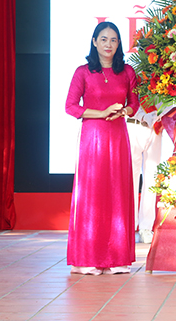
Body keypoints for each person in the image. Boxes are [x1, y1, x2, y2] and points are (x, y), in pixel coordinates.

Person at [65, 21, 140, 275]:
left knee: (118, 192)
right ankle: (87, 258)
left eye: (114, 40)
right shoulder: (83, 72)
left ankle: (117, 258)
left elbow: (135, 104)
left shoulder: (127, 72)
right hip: (93, 138)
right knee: (93, 194)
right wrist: (102, 113)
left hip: (118, 135)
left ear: (119, 44)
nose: (109, 44)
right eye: (104, 39)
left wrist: (124, 111)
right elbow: (71, 107)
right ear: (95, 41)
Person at [128, 105, 163, 244]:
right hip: (133, 125)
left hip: (155, 128)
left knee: (152, 178)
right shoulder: (131, 81)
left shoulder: (164, 82)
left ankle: (146, 227)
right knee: (131, 178)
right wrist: (142, 115)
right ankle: (129, 225)